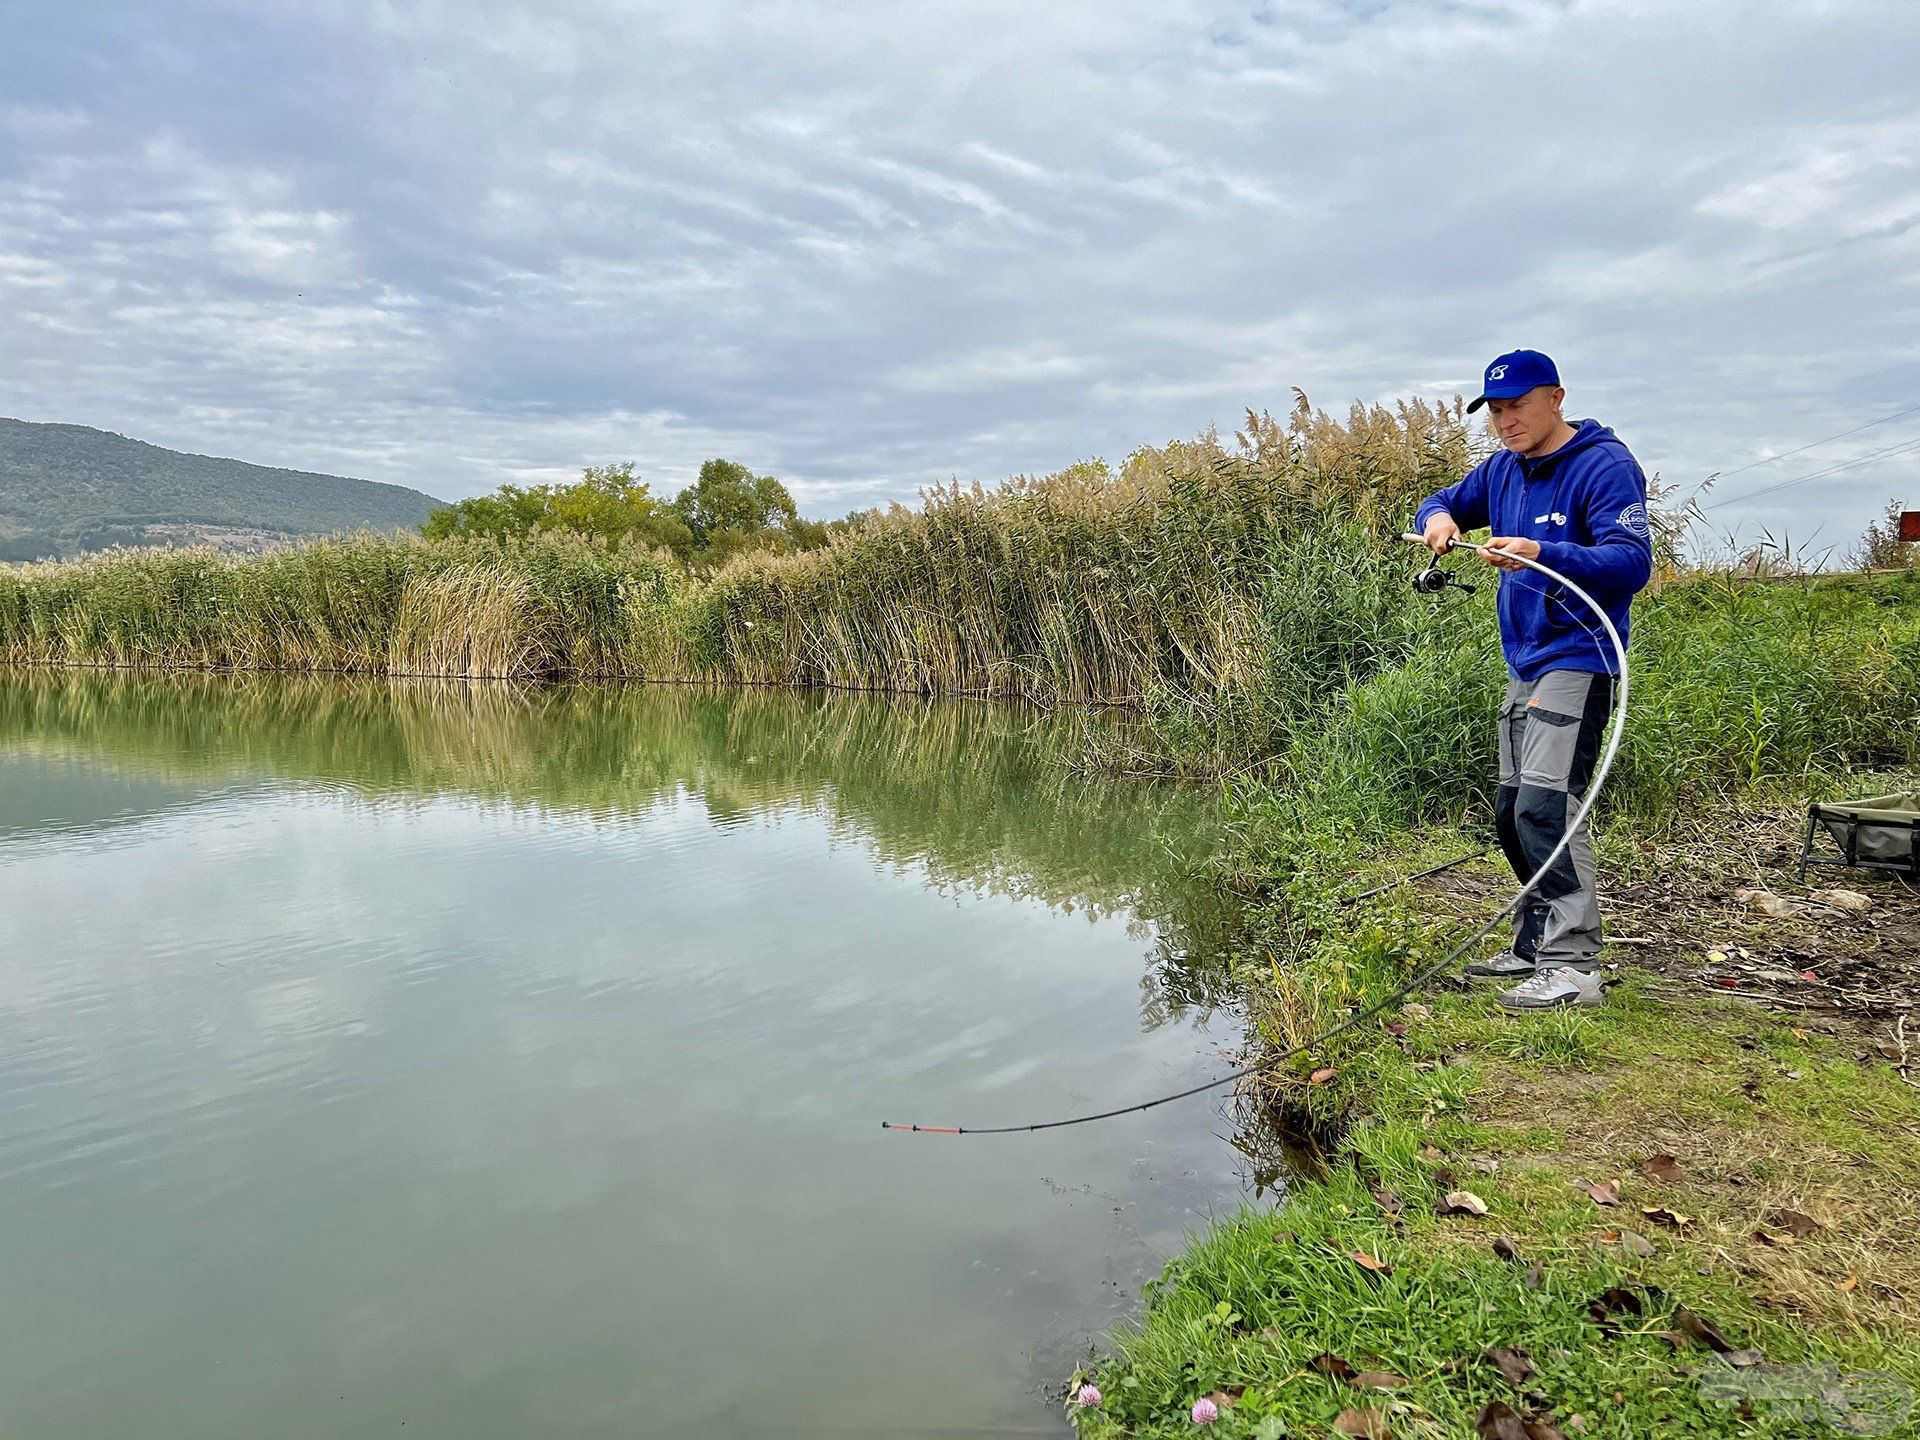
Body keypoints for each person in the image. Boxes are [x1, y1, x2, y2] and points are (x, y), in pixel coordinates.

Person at [1414, 349, 1653, 1010]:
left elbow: (1630, 562)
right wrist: (1437, 521)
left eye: (1517, 404)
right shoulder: (1501, 469)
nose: (1505, 420)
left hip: (1582, 654)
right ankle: (1533, 944)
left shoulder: (1603, 466)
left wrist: (1541, 552)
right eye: (1495, 408)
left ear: (1556, 398)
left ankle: (1574, 967)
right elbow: (1440, 501)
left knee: (1547, 803)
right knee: (1512, 812)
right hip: (1527, 660)